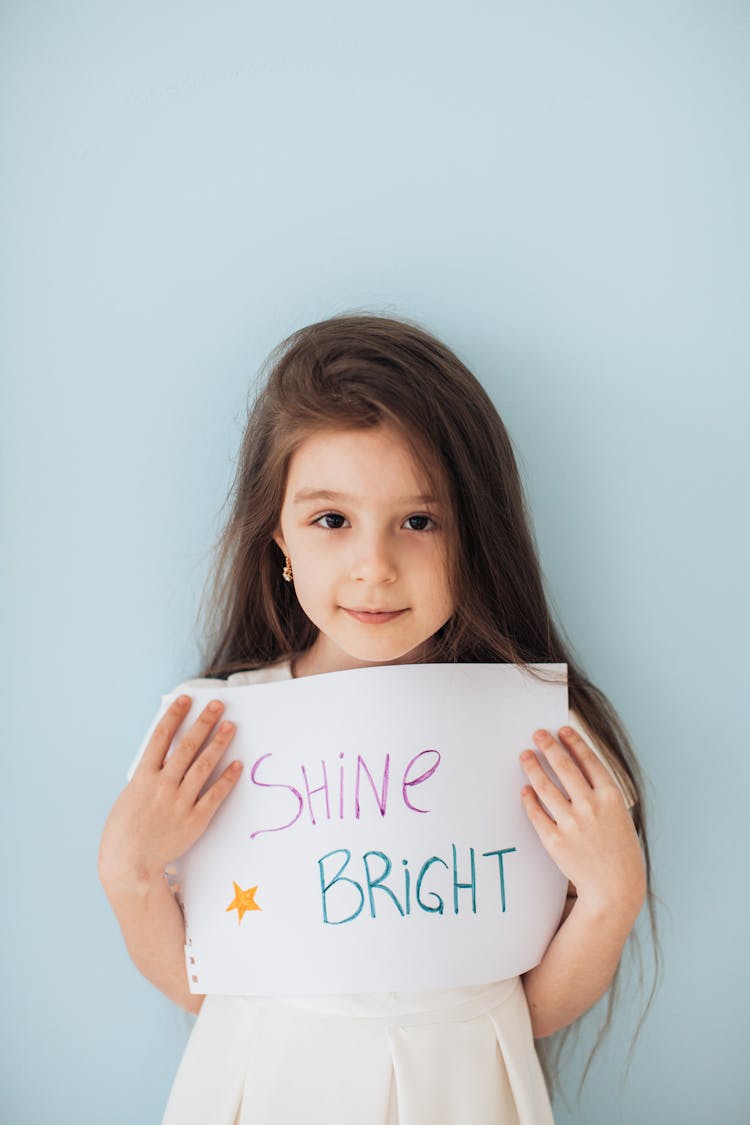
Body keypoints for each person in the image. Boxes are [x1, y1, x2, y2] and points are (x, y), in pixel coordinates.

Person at [98, 312, 656, 1124]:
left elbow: (527, 1008)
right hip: (266, 1080)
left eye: (419, 521)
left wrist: (611, 898)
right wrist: (129, 872)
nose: (375, 567)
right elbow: (200, 980)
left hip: (464, 1088)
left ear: (475, 536)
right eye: (332, 520)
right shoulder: (213, 733)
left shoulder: (535, 735)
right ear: (277, 536)